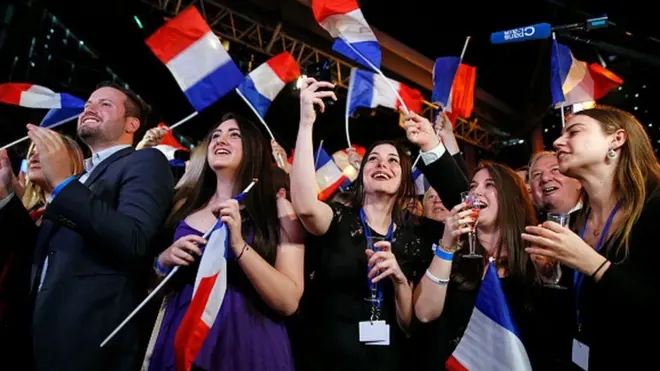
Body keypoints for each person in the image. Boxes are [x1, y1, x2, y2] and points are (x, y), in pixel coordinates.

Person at [290, 78, 467, 371]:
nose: (382, 165)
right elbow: (306, 206)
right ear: (361, 176)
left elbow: (465, 203)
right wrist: (307, 122)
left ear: (404, 181)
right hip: (326, 361)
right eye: (373, 159)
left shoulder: (418, 234)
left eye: (393, 161)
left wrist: (432, 145)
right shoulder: (338, 219)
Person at [0, 81, 174, 371]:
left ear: (132, 123)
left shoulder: (144, 161)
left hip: (88, 340)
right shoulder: (82, 179)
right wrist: (6, 193)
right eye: (88, 104)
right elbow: (40, 250)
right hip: (38, 335)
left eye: (105, 104)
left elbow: (134, 238)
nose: (90, 108)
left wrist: (64, 184)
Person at [145, 113, 304, 371]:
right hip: (182, 341)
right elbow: (152, 286)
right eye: (215, 135)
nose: (221, 140)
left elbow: (288, 301)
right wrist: (163, 261)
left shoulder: (278, 211)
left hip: (248, 346)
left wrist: (239, 245)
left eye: (234, 135)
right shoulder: (183, 206)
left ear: (253, 147)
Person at [523, 106, 660, 370]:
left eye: (574, 131)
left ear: (616, 139)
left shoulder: (654, 207)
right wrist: (551, 277)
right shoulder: (575, 225)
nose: (557, 142)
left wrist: (595, 265)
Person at [0, 137, 83, 363]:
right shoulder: (30, 212)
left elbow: (33, 247)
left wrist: (7, 196)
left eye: (45, 150)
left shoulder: (79, 213)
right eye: (32, 151)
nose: (34, 156)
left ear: (73, 160)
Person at [528, 151, 582, 218]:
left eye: (555, 169)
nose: (545, 178)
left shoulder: (595, 220)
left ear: (578, 181)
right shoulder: (528, 225)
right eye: (537, 174)